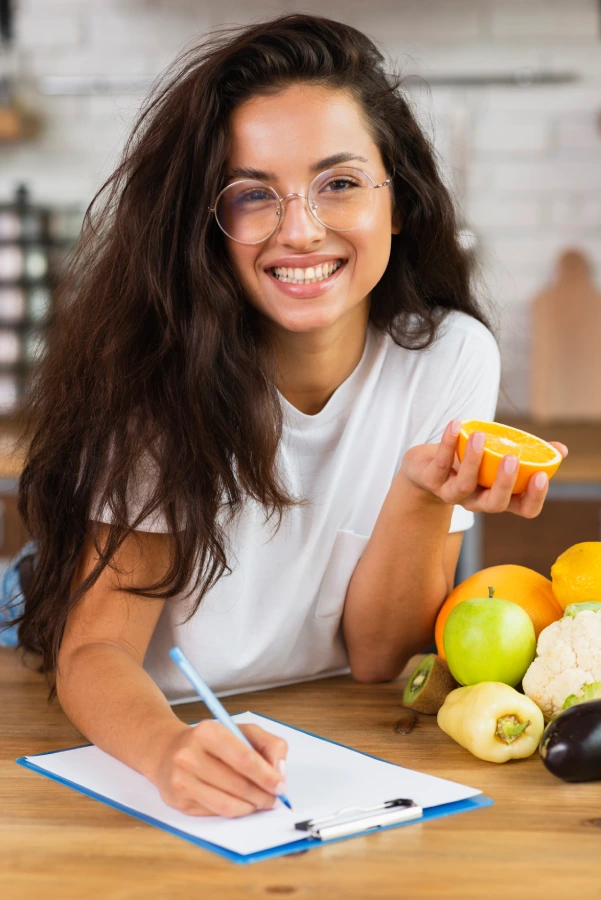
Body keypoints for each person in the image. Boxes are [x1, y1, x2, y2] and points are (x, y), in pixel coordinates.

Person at [6, 14, 566, 819]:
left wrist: (419, 494)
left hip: (310, 707)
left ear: (398, 202)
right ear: (209, 220)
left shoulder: (450, 358)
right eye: (252, 194)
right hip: (107, 667)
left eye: (338, 183)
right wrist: (167, 752)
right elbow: (93, 651)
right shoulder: (157, 383)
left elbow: (379, 660)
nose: (299, 228)